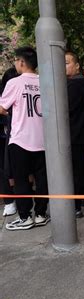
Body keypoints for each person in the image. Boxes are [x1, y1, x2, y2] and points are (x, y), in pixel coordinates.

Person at [0, 47, 50, 230]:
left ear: (21, 62)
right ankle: (40, 214)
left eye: (16, 60)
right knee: (42, 178)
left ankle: (25, 217)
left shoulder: (14, 83)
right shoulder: (45, 82)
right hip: (43, 140)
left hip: (20, 139)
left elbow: (2, 108)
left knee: (21, 181)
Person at [65, 51, 84, 218]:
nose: (63, 66)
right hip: (82, 132)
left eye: (67, 62)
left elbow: (66, 109)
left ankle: (76, 205)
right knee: (83, 167)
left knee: (74, 170)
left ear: (77, 66)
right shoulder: (83, 83)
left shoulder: (73, 85)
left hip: (73, 133)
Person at [0, 67, 19, 217]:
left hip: (18, 137)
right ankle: (9, 202)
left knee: (20, 169)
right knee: (3, 170)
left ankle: (19, 199)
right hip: (3, 138)